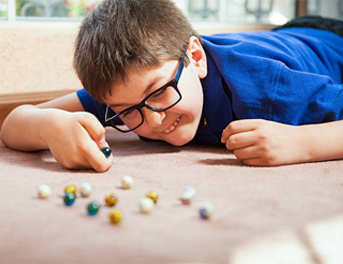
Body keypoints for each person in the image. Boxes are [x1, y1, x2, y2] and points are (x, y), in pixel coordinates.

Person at [1, 0, 343, 172]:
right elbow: (12, 124)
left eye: (159, 91)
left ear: (195, 58)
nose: (151, 122)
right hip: (279, 39)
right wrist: (49, 126)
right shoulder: (126, 91)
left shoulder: (270, 90)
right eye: (127, 112)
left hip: (329, 37)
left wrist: (304, 143)